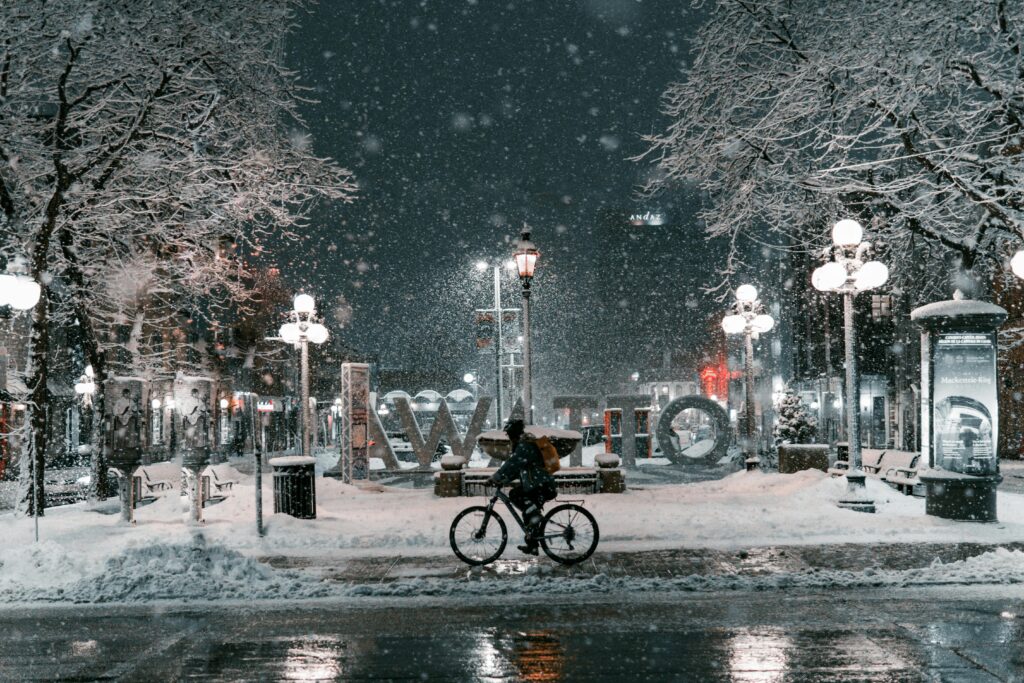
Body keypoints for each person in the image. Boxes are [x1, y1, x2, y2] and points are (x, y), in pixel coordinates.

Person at [487, 418, 557, 555]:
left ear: (513, 433)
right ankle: (533, 544)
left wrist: (496, 477)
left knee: (516, 495)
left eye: (509, 434)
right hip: (539, 485)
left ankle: (534, 517)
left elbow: (512, 464)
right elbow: (517, 469)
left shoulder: (524, 446)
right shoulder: (524, 444)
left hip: (541, 486)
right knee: (527, 512)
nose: (508, 437)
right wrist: (504, 480)